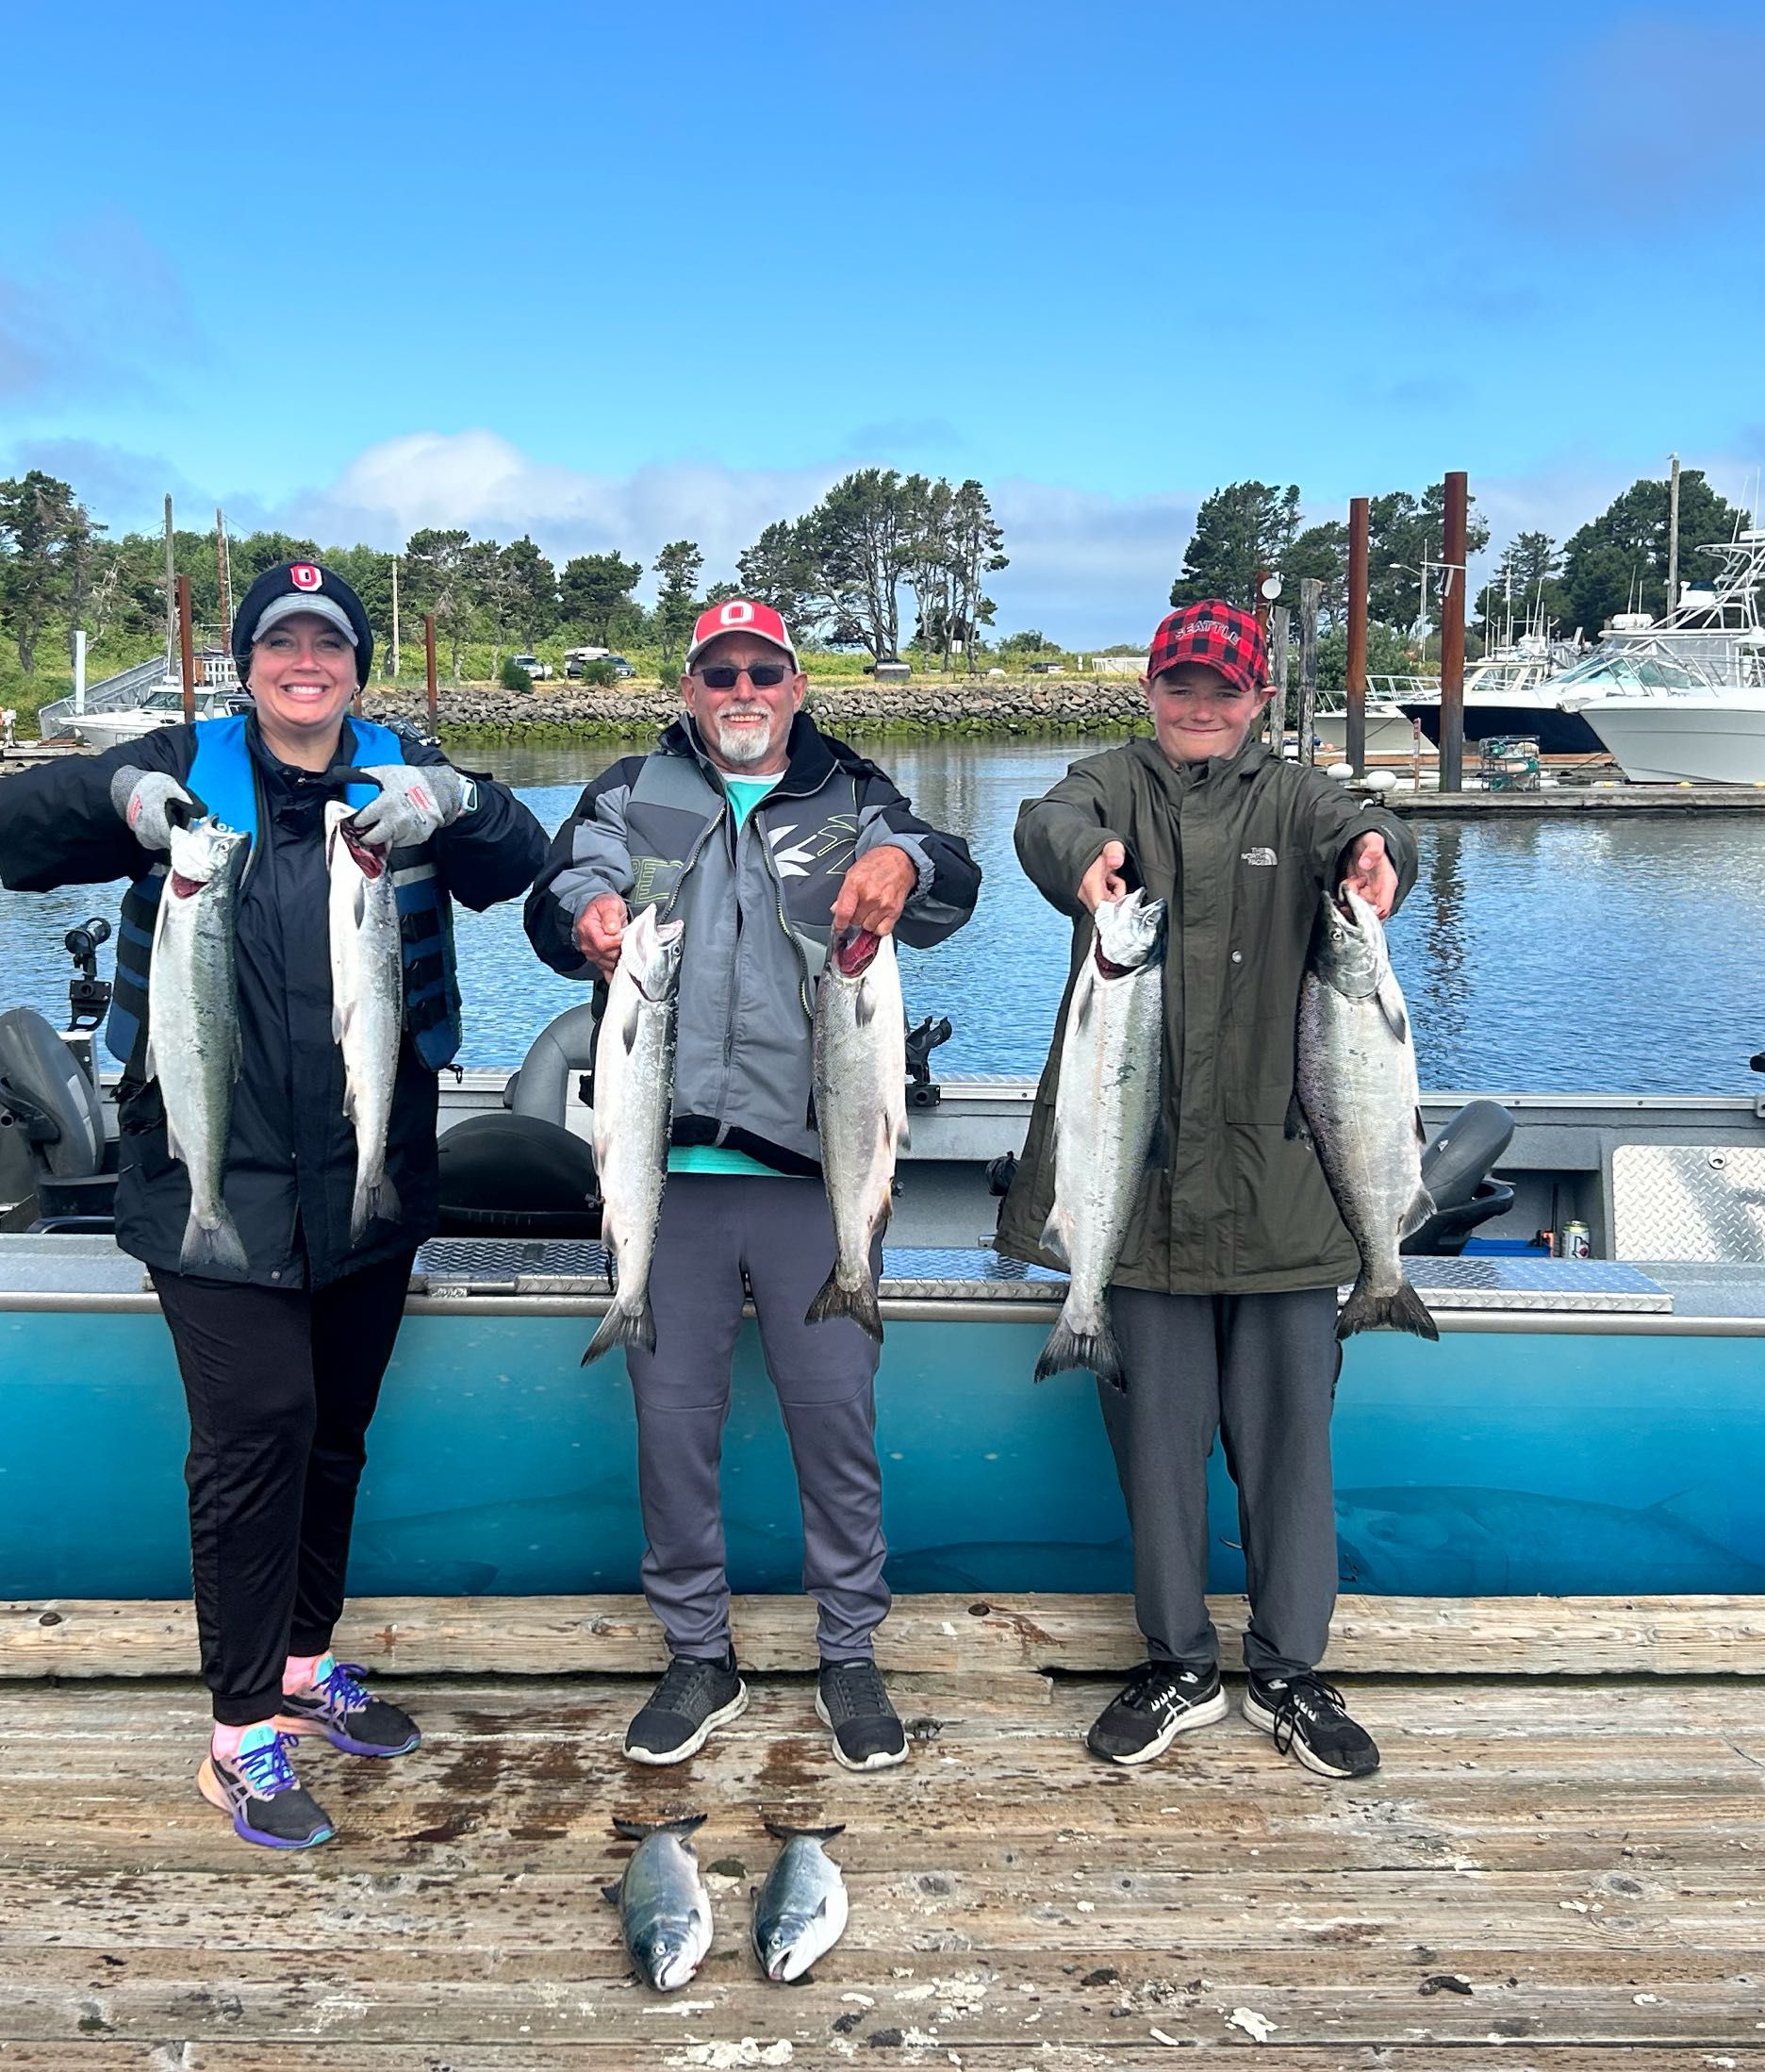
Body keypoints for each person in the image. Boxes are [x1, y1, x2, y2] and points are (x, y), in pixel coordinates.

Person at [0, 560, 548, 1850]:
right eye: (281, 643)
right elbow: (12, 829)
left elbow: (516, 863)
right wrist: (120, 790)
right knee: (258, 1438)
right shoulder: (182, 764)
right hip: (206, 1172)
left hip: (368, 1170)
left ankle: (302, 1664)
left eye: (329, 645)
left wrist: (451, 799)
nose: (307, 663)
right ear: (246, 663)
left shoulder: (398, 771)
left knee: (334, 1432)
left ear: (356, 664)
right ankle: (239, 1735)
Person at [526, 599, 981, 1771]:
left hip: (809, 1178)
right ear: (689, 689)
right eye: (718, 672)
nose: (741, 690)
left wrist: (903, 857)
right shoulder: (630, 792)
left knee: (837, 1425)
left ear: (796, 686)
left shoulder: (853, 796)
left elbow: (956, 884)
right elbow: (549, 892)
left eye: (762, 671)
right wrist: (589, 911)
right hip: (660, 1180)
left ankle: (850, 1653)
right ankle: (698, 1655)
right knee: (672, 1431)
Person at [997, 600, 1418, 1782]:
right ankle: (1176, 1657)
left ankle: (1289, 1666)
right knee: (1158, 1453)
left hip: (1290, 1201)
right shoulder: (1107, 783)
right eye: (1183, 684)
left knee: (1290, 1451)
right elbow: (1045, 823)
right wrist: (1081, 862)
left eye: (1225, 690)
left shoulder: (1300, 797)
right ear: (1151, 688)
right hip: (1142, 1202)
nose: (1201, 705)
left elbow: (1369, 823)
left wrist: (1383, 857)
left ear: (1258, 702)